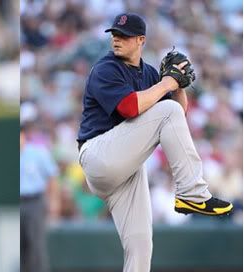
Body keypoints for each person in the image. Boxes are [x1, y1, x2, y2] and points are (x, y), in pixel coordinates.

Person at [77, 13, 233, 272]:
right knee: (165, 111)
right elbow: (129, 107)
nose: (117, 40)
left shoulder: (149, 73)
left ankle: (190, 195)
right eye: (114, 34)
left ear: (141, 40)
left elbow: (177, 116)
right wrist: (166, 84)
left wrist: (179, 86)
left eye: (124, 36)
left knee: (141, 245)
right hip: (99, 154)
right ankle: (192, 193)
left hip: (126, 168)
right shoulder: (106, 68)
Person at [20, 121, 59, 272]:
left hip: (34, 201)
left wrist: (54, 203)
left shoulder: (37, 153)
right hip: (19, 202)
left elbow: (52, 178)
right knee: (20, 245)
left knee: (36, 247)